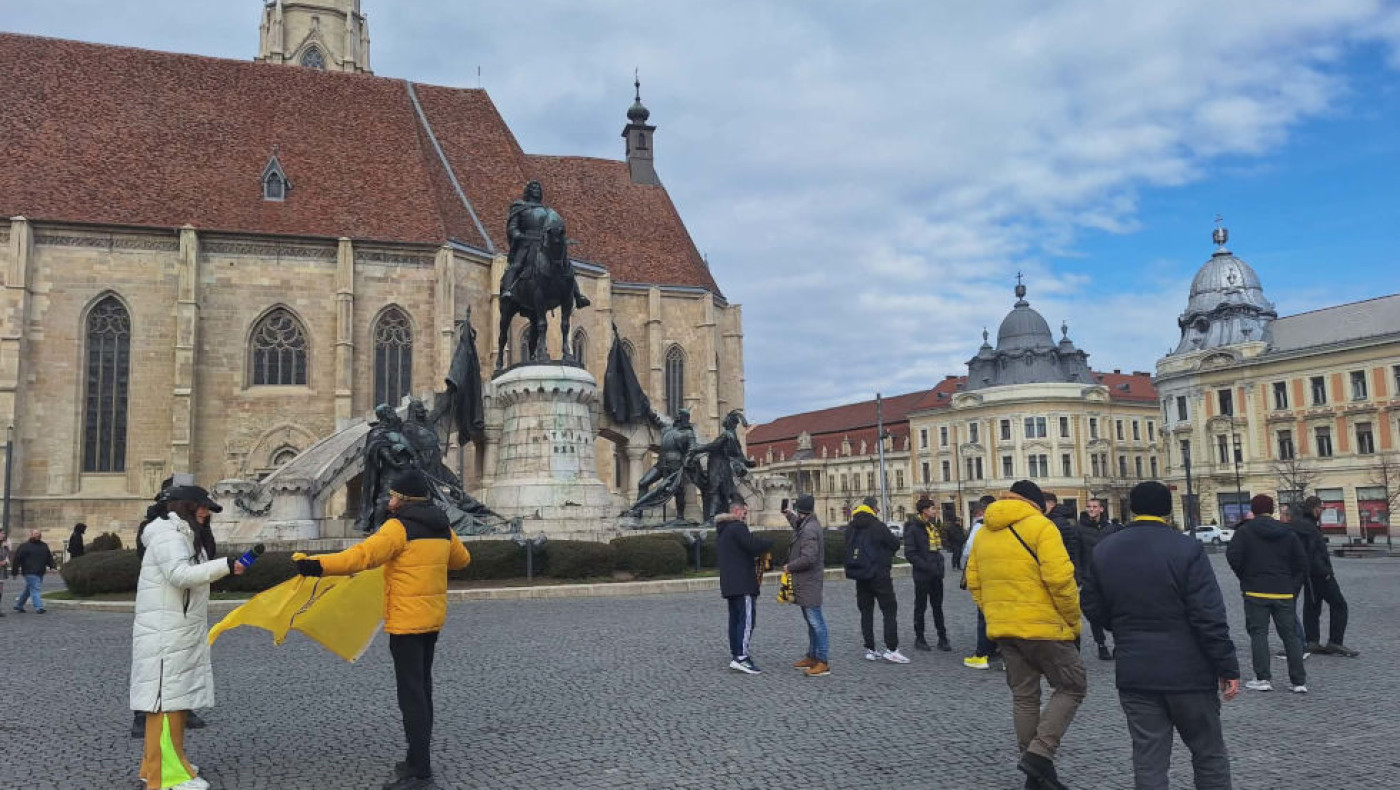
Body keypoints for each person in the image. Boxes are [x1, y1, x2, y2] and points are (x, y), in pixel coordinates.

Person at [293, 470, 471, 790]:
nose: (389, 500)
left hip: (405, 623)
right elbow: (462, 560)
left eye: (393, 495)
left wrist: (316, 565)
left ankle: (419, 770)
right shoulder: (441, 526)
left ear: (403, 498)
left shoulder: (398, 527)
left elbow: (361, 557)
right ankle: (416, 759)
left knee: (411, 696)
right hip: (431, 621)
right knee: (422, 690)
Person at [1083, 482, 1239, 790]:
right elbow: (1208, 615)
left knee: (1149, 758)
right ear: (1167, 510)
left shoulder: (1105, 549)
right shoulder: (1186, 548)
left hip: (1135, 669)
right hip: (1190, 671)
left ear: (1133, 509)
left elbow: (1090, 602)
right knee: (1208, 752)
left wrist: (1122, 626)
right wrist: (1226, 666)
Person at [966, 480, 1084, 790]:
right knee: (1072, 686)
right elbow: (1061, 580)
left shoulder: (984, 531)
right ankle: (1040, 753)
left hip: (1004, 629)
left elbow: (973, 581)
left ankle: (1036, 775)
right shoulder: (1041, 527)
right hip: (1044, 627)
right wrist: (1073, 621)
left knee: (1024, 696)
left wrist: (995, 612)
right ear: (1037, 504)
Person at [130, 485, 243, 790]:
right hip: (166, 632)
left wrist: (222, 565)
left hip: (176, 629)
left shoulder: (184, 533)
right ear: (184, 506)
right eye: (201, 507)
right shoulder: (168, 534)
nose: (206, 513)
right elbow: (179, 575)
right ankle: (167, 777)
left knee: (175, 700)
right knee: (166, 702)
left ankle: (157, 765)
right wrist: (225, 566)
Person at [1225, 494, 1307, 693]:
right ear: (1272, 510)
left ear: (1253, 509)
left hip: (1255, 590)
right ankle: (1298, 682)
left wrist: (1245, 576)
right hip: (1283, 591)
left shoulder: (1245, 531)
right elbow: (1301, 562)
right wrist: (1291, 584)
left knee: (1258, 634)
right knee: (1290, 636)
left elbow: (1233, 556)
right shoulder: (1287, 532)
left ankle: (1263, 678)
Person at [846, 496, 908, 663]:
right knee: (889, 610)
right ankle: (892, 649)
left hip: (860, 575)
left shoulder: (851, 527)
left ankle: (870, 649)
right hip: (879, 574)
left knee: (866, 612)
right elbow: (895, 544)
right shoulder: (878, 526)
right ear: (873, 509)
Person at [1294, 496, 1358, 657]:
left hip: (1309, 574)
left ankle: (1312, 641)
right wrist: (1325, 572)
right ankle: (1335, 642)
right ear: (1314, 509)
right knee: (1339, 605)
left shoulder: (1304, 524)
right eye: (1320, 509)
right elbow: (1313, 553)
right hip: (1319, 574)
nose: (1321, 512)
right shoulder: (1309, 527)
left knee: (1312, 607)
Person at [715, 497, 773, 674]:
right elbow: (751, 545)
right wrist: (768, 543)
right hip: (743, 583)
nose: (745, 516)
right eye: (745, 513)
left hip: (730, 583)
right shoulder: (737, 527)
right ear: (736, 511)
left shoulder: (723, 530)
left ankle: (736, 652)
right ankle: (741, 657)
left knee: (735, 620)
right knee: (747, 620)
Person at [783, 494, 829, 676]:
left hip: (809, 582)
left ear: (800, 509)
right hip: (806, 583)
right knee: (811, 622)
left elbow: (809, 558)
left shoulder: (809, 529)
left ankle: (822, 661)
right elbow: (798, 525)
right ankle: (812, 656)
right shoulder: (808, 524)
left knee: (817, 623)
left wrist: (790, 566)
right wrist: (788, 515)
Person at [904, 497, 950, 652]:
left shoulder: (931, 526)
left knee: (938, 607)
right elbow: (910, 553)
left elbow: (937, 550)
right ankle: (920, 638)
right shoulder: (913, 529)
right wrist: (926, 566)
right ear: (924, 510)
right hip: (922, 575)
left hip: (936, 574)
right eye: (932, 508)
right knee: (920, 606)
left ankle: (942, 638)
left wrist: (939, 565)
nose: (935, 511)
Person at [963, 495, 999, 670]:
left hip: (985, 576)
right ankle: (996, 648)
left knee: (984, 615)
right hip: (1000, 575)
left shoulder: (980, 526)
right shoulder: (1004, 525)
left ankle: (982, 653)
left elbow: (969, 550)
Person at [1077, 498, 1116, 661]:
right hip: (1090, 577)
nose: (1091, 509)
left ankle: (1118, 643)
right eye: (1089, 507)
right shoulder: (1079, 529)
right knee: (1094, 612)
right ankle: (1101, 644)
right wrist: (1079, 575)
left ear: (1101, 509)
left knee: (1115, 610)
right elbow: (1077, 553)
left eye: (1094, 507)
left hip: (1109, 575)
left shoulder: (1110, 528)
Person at [11, 529, 56, 613]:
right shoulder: (24, 546)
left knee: (28, 590)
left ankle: (19, 605)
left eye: (39, 534)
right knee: (36, 588)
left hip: (40, 571)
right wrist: (14, 572)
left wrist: (52, 567)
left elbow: (49, 557)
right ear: (31, 535)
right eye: (35, 534)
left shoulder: (44, 545)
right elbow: (17, 559)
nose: (37, 535)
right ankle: (39, 607)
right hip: (29, 572)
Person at [1042, 493, 1083, 579]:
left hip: (1064, 569)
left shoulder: (1057, 522)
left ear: (1051, 504)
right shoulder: (1058, 519)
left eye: (1043, 503)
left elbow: (1069, 548)